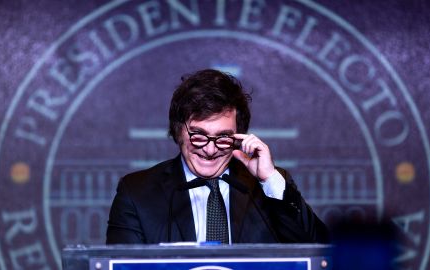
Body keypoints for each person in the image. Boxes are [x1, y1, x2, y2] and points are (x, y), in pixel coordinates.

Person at [106, 69, 329, 244]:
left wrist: (269, 179)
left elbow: (322, 256)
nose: (210, 150)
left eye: (223, 137)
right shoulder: (136, 193)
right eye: (199, 135)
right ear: (178, 130)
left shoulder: (268, 187)